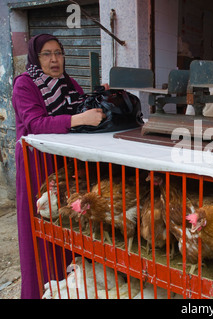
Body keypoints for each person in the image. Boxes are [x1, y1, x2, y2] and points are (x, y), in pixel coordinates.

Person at [12, 34, 106, 299]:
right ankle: (40, 288)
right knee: (42, 224)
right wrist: (78, 118)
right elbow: (35, 123)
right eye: (46, 54)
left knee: (68, 222)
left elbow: (81, 107)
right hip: (37, 163)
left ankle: (67, 287)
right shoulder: (25, 84)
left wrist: (98, 99)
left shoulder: (68, 82)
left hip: (63, 163)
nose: (54, 59)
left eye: (59, 53)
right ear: (35, 57)